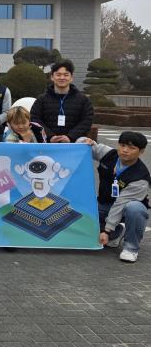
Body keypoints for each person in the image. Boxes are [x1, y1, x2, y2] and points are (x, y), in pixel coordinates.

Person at [79, 132, 150, 263]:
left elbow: (120, 204)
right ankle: (116, 232)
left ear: (141, 152)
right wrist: (84, 141)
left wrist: (106, 230)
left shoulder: (140, 178)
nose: (125, 150)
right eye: (122, 145)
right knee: (77, 211)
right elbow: (83, 143)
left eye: (132, 148)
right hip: (103, 204)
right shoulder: (109, 154)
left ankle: (131, 248)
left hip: (124, 209)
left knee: (135, 208)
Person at [30, 59, 94, 143]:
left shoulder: (83, 100)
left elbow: (86, 121)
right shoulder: (41, 99)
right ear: (52, 77)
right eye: (58, 74)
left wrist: (70, 137)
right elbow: (35, 119)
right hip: (47, 144)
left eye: (66, 75)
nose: (62, 78)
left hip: (74, 144)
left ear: (71, 78)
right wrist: (50, 136)